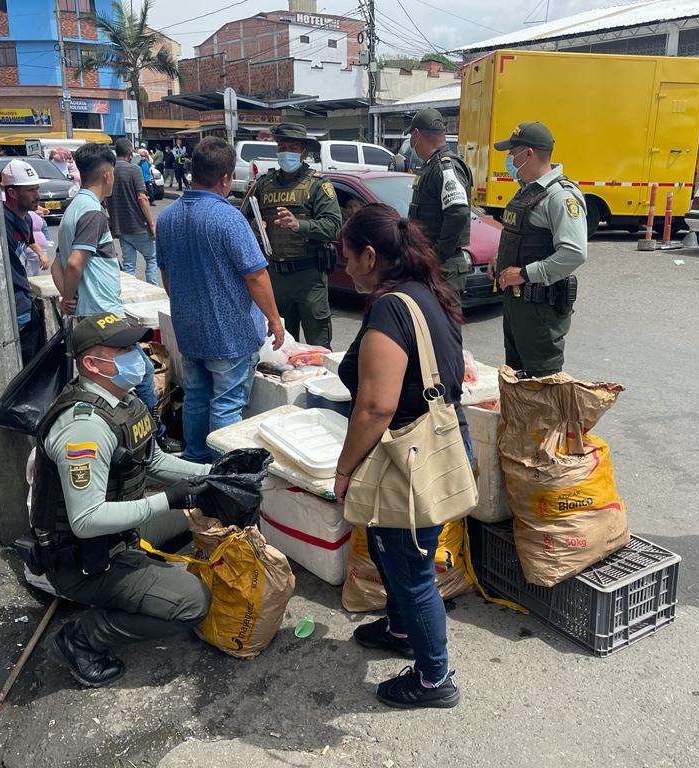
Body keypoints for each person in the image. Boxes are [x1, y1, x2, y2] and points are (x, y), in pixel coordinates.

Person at [334, 203, 471, 710]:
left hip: (406, 456)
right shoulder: (429, 293)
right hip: (426, 444)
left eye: (348, 257)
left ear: (370, 255)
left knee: (411, 567)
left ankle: (435, 679)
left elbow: (376, 405)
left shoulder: (392, 307)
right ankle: (399, 630)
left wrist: (344, 469)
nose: (345, 267)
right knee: (392, 552)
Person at [33, 311, 213, 687]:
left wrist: (215, 475)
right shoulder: (85, 428)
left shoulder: (121, 401)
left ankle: (136, 584)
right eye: (125, 349)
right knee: (193, 602)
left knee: (210, 504)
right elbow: (86, 520)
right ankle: (82, 638)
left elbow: (154, 460)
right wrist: (167, 501)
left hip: (121, 535)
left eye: (135, 345)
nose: (139, 355)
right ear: (92, 364)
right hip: (85, 560)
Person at [157, 137, 285, 463]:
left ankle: (196, 461)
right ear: (226, 178)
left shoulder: (167, 218)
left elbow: (167, 275)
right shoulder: (227, 218)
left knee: (197, 396)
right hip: (229, 334)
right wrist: (273, 319)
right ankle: (223, 474)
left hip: (189, 328)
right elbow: (256, 276)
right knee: (226, 402)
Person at [53, 143, 178, 452]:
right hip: (103, 314)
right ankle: (151, 440)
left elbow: (58, 262)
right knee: (140, 372)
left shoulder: (73, 209)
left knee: (107, 382)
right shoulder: (93, 213)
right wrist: (70, 297)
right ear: (107, 175)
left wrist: (67, 299)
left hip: (89, 310)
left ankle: (127, 438)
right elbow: (73, 263)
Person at [490, 122, 587, 376]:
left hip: (540, 311)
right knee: (516, 383)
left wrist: (523, 273)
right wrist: (500, 258)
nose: (510, 159)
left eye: (513, 153)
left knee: (542, 389)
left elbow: (574, 253)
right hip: (517, 305)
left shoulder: (559, 196)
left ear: (528, 154)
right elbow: (521, 236)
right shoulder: (527, 192)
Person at [246, 122, 342, 348]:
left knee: (318, 347)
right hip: (275, 277)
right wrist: (255, 226)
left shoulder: (318, 185)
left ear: (304, 152)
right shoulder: (264, 184)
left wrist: (299, 225)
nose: (286, 152)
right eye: (282, 147)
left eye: (293, 148)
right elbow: (244, 220)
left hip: (309, 277)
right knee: (281, 346)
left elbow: (333, 226)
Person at [405, 108, 472, 294]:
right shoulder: (432, 166)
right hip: (434, 264)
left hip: (443, 268)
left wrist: (436, 255)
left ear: (416, 134)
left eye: (411, 136)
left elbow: (458, 213)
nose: (411, 142)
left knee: (443, 321)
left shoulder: (445, 168)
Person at [0, 159, 45, 365]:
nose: (37, 195)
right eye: (31, 190)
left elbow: (29, 243)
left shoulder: (26, 219)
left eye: (37, 189)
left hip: (24, 300)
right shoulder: (0, 220)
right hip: (10, 305)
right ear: (12, 193)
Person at [106, 138, 159, 286]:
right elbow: (142, 198)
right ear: (130, 153)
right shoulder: (134, 169)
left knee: (129, 265)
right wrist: (152, 224)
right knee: (151, 258)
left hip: (121, 227)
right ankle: (152, 289)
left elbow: (104, 199)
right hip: (139, 226)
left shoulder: (109, 171)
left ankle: (130, 293)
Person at [25, 208, 52, 277]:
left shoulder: (28, 214)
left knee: (32, 278)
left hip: (34, 251)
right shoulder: (27, 215)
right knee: (31, 278)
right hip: (33, 251)